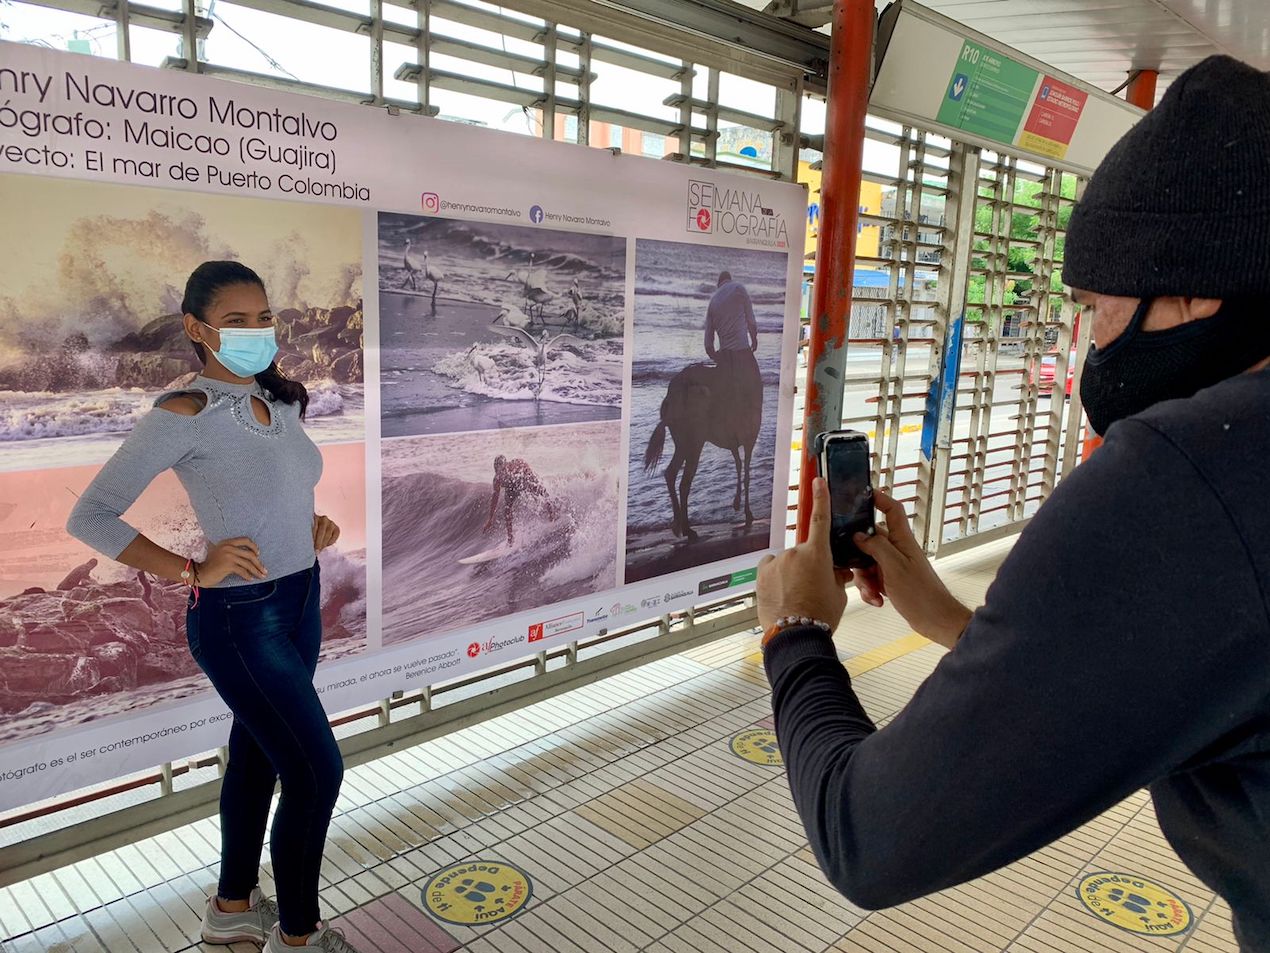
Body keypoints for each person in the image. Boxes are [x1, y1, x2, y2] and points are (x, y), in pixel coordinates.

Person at [755, 55, 1270, 950]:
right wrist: (957, 619)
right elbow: (1171, 668)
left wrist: (793, 635)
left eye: (1100, 306)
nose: (1091, 345)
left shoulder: (1186, 474)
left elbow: (869, 836)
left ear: (1198, 289)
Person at [67, 261, 360, 953]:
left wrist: (307, 526)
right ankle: (300, 936)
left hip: (299, 597)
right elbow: (93, 515)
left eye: (264, 317)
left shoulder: (280, 401)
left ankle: (232, 908)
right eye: (237, 321)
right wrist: (190, 568)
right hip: (239, 615)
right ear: (198, 330)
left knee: (260, 754)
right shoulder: (183, 412)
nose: (258, 331)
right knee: (317, 772)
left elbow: (276, 488)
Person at [704, 270, 764, 445]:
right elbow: (751, 321)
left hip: (725, 356)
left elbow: (708, 343)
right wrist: (754, 339)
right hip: (743, 352)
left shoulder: (713, 301)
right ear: (729, 279)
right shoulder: (739, 288)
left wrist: (717, 357)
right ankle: (753, 426)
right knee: (756, 386)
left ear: (718, 283)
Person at [483, 454, 557, 546]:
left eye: (502, 469)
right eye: (498, 471)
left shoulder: (517, 465)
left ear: (507, 465)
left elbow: (529, 472)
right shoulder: (497, 479)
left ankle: (552, 516)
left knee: (542, 493)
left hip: (524, 480)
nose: (501, 473)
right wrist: (490, 519)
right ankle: (510, 539)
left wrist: (532, 483)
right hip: (511, 488)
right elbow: (495, 498)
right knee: (507, 509)